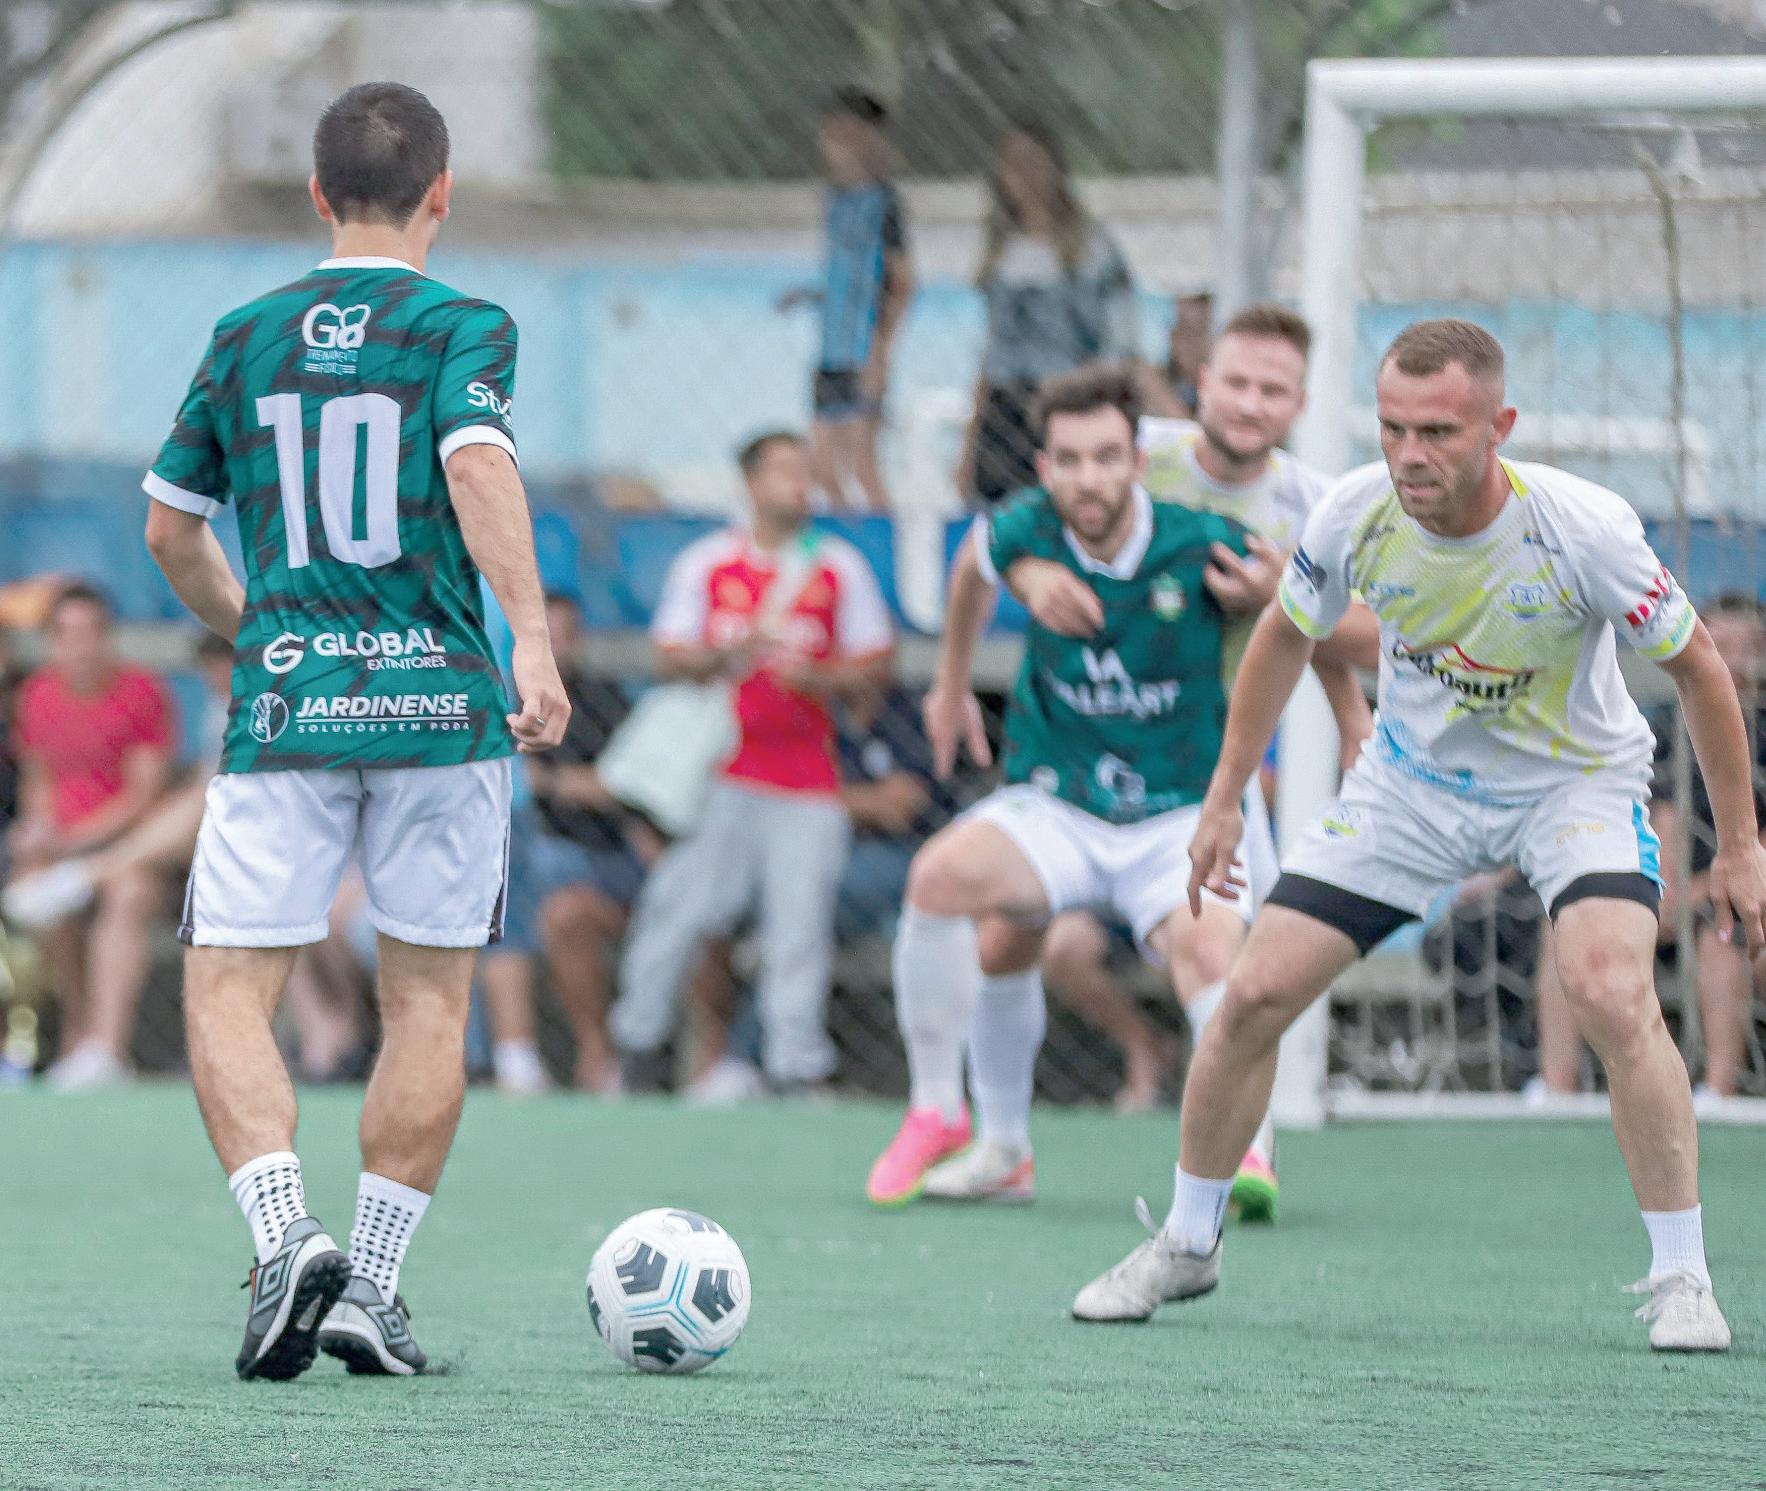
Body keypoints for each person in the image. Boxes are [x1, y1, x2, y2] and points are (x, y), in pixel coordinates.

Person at [1085, 318, 1766, 1352]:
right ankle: (1187, 1241)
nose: (1409, 454)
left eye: (1438, 432)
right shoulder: (1352, 511)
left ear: (1499, 426)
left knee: (1609, 989)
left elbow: (1701, 670)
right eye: (1392, 428)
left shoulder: (1581, 528)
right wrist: (1223, 797)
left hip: (1571, 786)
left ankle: (1682, 1279)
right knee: (1251, 993)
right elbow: (1283, 635)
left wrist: (1742, 846)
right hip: (1410, 789)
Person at [142, 81, 568, 1381]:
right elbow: (477, 462)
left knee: (230, 981)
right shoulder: (463, 325)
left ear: (318, 194)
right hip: (439, 708)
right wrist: (531, 637)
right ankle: (368, 1285)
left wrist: (254, 622)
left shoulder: (246, 335)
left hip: (289, 704)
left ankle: (286, 1236)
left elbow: (168, 529)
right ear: (442, 192)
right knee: (427, 995)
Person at [864, 364, 1280, 1209]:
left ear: (1138, 462)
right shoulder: (1027, 527)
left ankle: (1246, 1155)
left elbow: (1312, 622)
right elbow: (971, 569)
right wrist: (950, 684)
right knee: (940, 880)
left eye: (1106, 457)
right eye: (1070, 460)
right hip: (1061, 802)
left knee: (1211, 954)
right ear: (1044, 467)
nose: (1089, 478)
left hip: (1177, 814)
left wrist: (1283, 614)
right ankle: (959, 1124)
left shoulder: (1205, 542)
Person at [1012, 304, 1377, 1118]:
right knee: (1024, 935)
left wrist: (1292, 609)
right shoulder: (1131, 456)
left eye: (1272, 390)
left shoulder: (1317, 509)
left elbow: (1365, 634)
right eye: (1236, 382)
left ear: (1301, 403)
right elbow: (1019, 533)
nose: (1250, 403)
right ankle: (995, 1120)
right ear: (1201, 382)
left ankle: (1246, 1141)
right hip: (1085, 757)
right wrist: (1029, 575)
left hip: (1207, 772)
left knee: (1236, 967)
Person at [612, 431, 894, 1091]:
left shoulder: (837, 566)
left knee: (798, 926)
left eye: (805, 470)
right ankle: (638, 1046)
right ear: (751, 482)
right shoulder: (709, 563)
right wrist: (730, 655)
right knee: (679, 909)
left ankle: (796, 1066)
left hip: (808, 781)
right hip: (722, 776)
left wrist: (818, 677)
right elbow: (668, 655)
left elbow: (876, 661)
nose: (799, 483)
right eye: (783, 470)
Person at [1535, 592, 1766, 1100]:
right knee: (1566, 920)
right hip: (1684, 895)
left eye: (1741, 647)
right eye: (1718, 644)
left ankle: (1719, 1091)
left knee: (1722, 932)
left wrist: (1704, 893)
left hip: (1742, 902)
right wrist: (1661, 893)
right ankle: (1556, 1087)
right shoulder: (1669, 727)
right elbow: (1664, 823)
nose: (1727, 660)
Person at [6, 583, 175, 1089]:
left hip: (133, 850)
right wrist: (39, 836)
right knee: (39, 894)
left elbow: (143, 797)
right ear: (51, 641)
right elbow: (38, 784)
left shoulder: (143, 691)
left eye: (91, 633)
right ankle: (78, 1035)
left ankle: (108, 1047)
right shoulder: (36, 695)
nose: (80, 646)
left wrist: (70, 845)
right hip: (65, 851)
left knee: (128, 894)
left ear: (108, 636)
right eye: (68, 634)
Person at [478, 592, 643, 1096]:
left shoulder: (604, 700)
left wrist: (554, 783)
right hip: (511, 823)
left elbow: (626, 787)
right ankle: (504, 1056)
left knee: (522, 904)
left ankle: (529, 1056)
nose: (554, 649)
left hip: (589, 851)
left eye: (563, 637)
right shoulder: (507, 695)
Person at [956, 122, 1142, 507]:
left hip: (1070, 407)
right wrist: (968, 447)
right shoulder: (1001, 251)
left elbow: (1120, 347)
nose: (1023, 175)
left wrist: (1082, 396)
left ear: (1055, 169)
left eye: (1033, 162)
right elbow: (993, 357)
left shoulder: (1092, 249)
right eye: (1012, 164)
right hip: (1004, 418)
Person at [777, 88, 913, 512]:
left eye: (848, 134)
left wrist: (880, 348)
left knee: (862, 466)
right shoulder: (835, 201)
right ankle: (850, 538)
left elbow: (902, 281)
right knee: (822, 469)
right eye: (831, 134)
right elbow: (848, 278)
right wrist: (811, 295)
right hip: (831, 350)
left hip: (862, 350)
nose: (837, 145)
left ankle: (884, 541)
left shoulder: (884, 203)